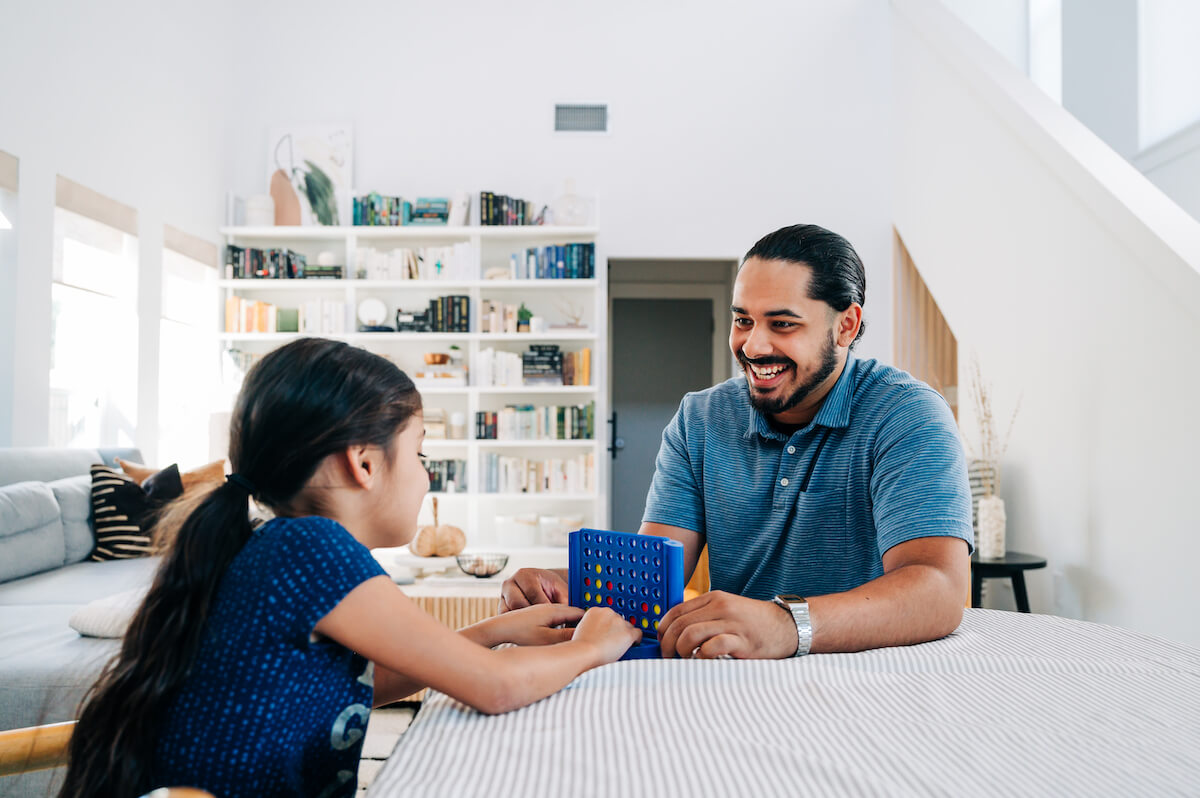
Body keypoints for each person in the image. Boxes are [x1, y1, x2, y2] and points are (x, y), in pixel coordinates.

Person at [62, 338, 640, 798]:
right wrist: (591, 646)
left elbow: (364, 680)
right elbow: (494, 689)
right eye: (419, 455)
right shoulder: (314, 550)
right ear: (363, 462)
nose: (426, 476)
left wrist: (492, 632)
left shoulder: (275, 543)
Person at [502, 224, 973, 660]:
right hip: (734, 670)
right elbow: (651, 578)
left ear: (845, 326)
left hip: (876, 673)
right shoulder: (700, 417)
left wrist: (785, 625)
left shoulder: (907, 415)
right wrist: (565, 587)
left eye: (782, 324)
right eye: (743, 320)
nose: (753, 346)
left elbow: (938, 589)